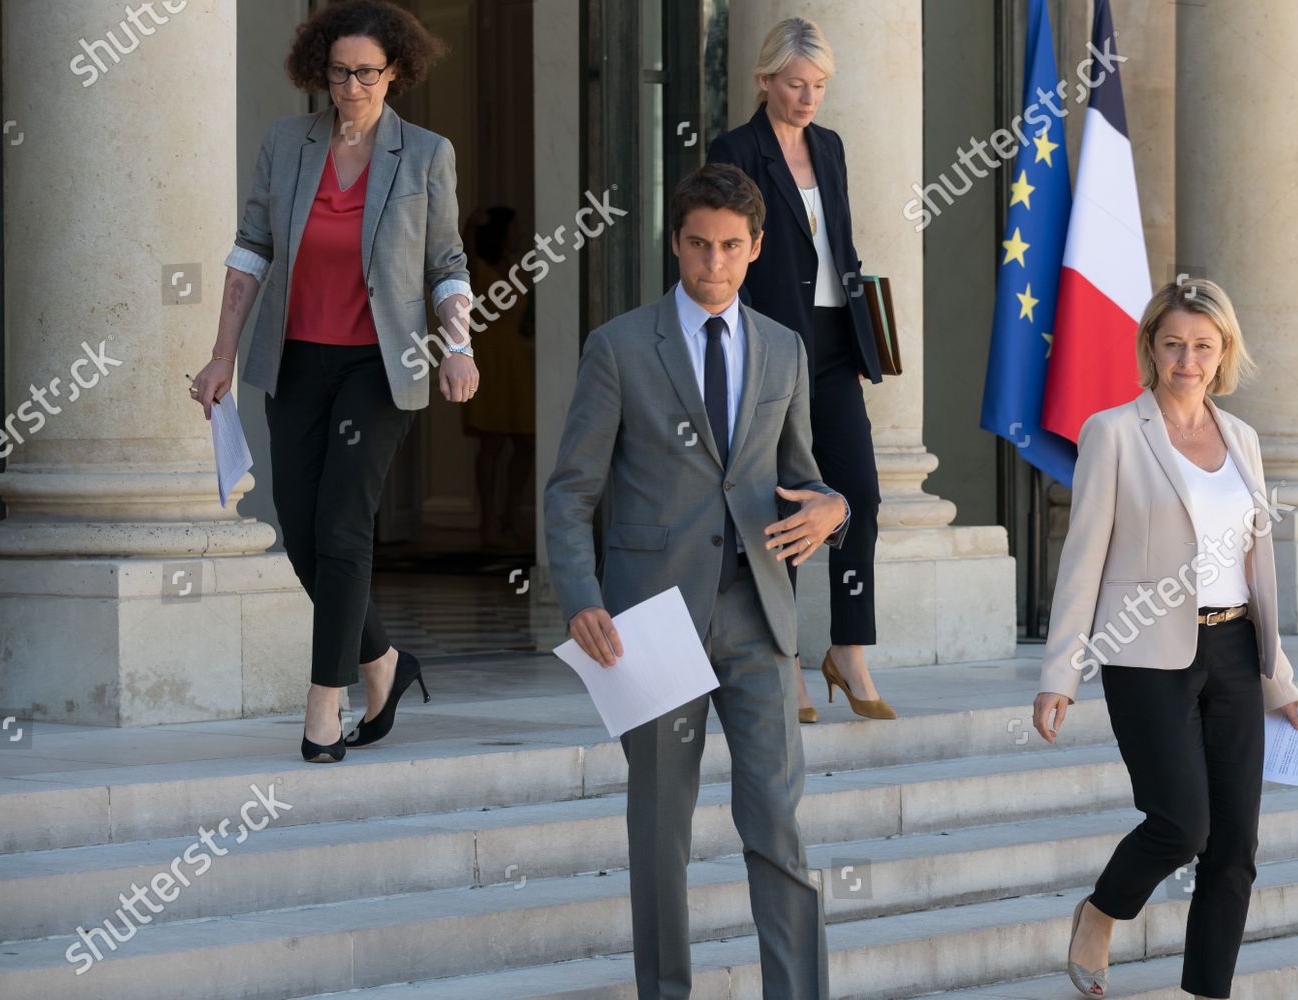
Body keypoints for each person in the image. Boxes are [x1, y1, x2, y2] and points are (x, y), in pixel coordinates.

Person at [544, 162, 848, 999]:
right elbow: (571, 492)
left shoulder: (784, 349)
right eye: (697, 245)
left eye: (729, 248)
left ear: (755, 249)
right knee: (659, 834)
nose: (712, 263)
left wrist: (835, 510)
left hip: (758, 619)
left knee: (778, 826)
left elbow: (804, 477)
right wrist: (582, 599)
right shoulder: (617, 347)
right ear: (674, 243)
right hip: (650, 624)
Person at [191, 0, 475, 763]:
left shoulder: (424, 154)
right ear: (320, 70)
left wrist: (459, 346)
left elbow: (445, 263)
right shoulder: (287, 143)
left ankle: (327, 701)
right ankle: (384, 659)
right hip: (295, 357)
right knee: (302, 528)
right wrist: (221, 354)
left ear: (396, 73)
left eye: (368, 73)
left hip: (380, 365)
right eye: (340, 71)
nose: (352, 86)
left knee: (345, 523)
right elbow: (252, 248)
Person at [1030, 279, 1298, 1000]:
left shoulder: (1241, 437)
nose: (1189, 359)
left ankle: (1204, 993)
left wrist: (1278, 675)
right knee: (1183, 825)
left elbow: (1259, 570)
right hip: (1145, 656)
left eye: (1204, 346)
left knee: (1236, 850)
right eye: (1175, 343)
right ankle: (1101, 910)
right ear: (1151, 347)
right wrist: (1059, 672)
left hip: (1236, 653)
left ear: (1224, 353)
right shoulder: (1114, 432)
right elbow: (1083, 557)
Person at [707, 16, 892, 723]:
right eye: (796, 84)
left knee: (861, 497)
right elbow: (728, 253)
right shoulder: (737, 150)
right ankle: (782, 661)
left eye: (818, 85)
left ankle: (849, 648)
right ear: (764, 81)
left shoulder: (831, 147)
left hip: (838, 339)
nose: (809, 97)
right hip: (773, 343)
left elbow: (838, 240)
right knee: (786, 502)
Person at [461, 206, 536, 552]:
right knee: (491, 444)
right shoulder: (478, 268)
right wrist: (470, 226)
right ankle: (488, 521)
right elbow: (459, 256)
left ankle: (511, 515)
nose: (519, 235)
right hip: (488, 359)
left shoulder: (516, 270)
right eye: (514, 229)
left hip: (515, 360)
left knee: (525, 441)